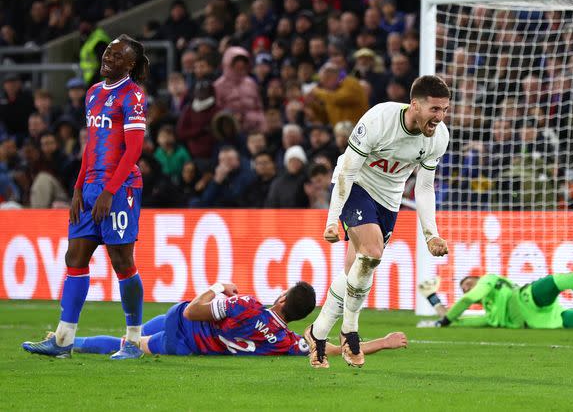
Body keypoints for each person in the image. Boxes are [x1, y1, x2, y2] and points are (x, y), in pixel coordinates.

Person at [304, 75, 450, 369]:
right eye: (434, 109)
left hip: (388, 202)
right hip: (357, 186)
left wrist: (431, 234)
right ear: (415, 105)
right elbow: (347, 171)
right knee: (372, 253)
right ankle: (350, 333)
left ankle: (317, 335)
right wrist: (332, 221)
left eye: (445, 109)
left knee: (353, 271)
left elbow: (423, 188)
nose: (440, 117)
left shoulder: (439, 137)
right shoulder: (379, 120)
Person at [22, 35, 150, 359]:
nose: (109, 58)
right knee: (74, 259)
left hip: (120, 190)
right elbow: (91, 146)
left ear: (130, 64)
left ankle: (134, 341)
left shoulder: (133, 96)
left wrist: (110, 191)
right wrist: (79, 187)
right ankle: (63, 340)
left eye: (117, 55)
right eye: (108, 52)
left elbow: (133, 150)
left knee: (122, 262)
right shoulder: (93, 94)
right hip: (91, 188)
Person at [68, 281, 407, 358]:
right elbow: (332, 350)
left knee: (132, 341)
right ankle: (72, 342)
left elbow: (191, 311)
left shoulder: (248, 306)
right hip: (194, 344)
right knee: (131, 340)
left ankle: (69, 341)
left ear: (284, 298)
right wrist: (384, 343)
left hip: (181, 328)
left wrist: (219, 287)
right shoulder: (287, 341)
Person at [417, 272, 573, 329]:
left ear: (477, 278)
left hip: (528, 299)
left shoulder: (488, 280)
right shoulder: (490, 316)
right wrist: (433, 299)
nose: (466, 287)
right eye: (463, 287)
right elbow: (456, 321)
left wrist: (445, 319)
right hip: (544, 320)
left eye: (468, 282)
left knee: (562, 279)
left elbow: (468, 300)